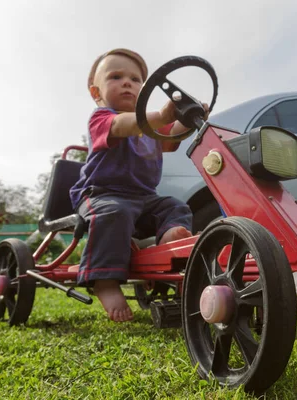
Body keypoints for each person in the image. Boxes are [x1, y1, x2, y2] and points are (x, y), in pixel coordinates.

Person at [69, 48, 208, 322]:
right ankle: (104, 282)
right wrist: (160, 116)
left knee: (175, 206)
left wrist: (191, 117)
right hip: (101, 194)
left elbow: (172, 135)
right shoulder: (102, 118)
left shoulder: (150, 128)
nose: (127, 83)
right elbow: (123, 125)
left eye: (135, 79)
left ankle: (169, 240)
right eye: (116, 76)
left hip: (144, 198)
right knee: (114, 212)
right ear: (96, 92)